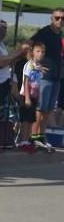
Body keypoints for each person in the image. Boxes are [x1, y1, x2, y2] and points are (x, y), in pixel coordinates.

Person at [27, 8, 64, 145]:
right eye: (57, 18)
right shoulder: (45, 32)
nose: (60, 21)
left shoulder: (59, 34)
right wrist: (34, 64)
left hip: (56, 76)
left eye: (62, 18)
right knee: (40, 108)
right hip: (45, 77)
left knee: (48, 109)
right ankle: (34, 136)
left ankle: (41, 136)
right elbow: (28, 45)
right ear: (51, 18)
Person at [22, 41, 54, 151]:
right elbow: (26, 81)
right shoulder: (30, 65)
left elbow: (39, 82)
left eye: (43, 52)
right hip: (27, 95)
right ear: (33, 52)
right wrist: (26, 97)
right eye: (38, 51)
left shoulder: (39, 66)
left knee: (31, 118)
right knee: (26, 119)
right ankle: (24, 140)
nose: (40, 54)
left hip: (35, 96)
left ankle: (30, 139)